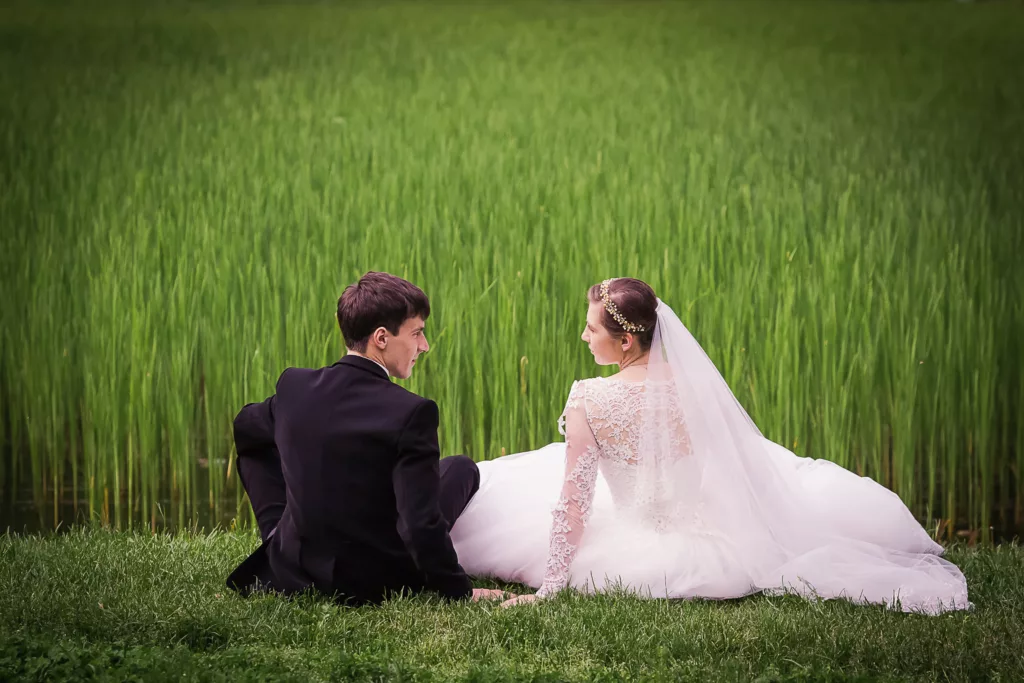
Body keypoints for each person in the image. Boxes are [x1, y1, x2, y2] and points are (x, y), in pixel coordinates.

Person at [451, 278, 970, 614]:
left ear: (626, 341)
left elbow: (574, 500)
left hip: (636, 538)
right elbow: (729, 463)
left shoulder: (589, 398)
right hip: (712, 537)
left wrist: (552, 585)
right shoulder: (696, 386)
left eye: (591, 329)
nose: (584, 337)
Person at [227, 271, 507, 604]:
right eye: (417, 333)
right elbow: (420, 526)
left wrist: (279, 521)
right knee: (461, 468)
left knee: (259, 451)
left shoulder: (294, 387)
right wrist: (460, 591)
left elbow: (246, 429)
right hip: (372, 582)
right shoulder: (412, 412)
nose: (425, 345)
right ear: (382, 338)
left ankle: (279, 536)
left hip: (294, 566)